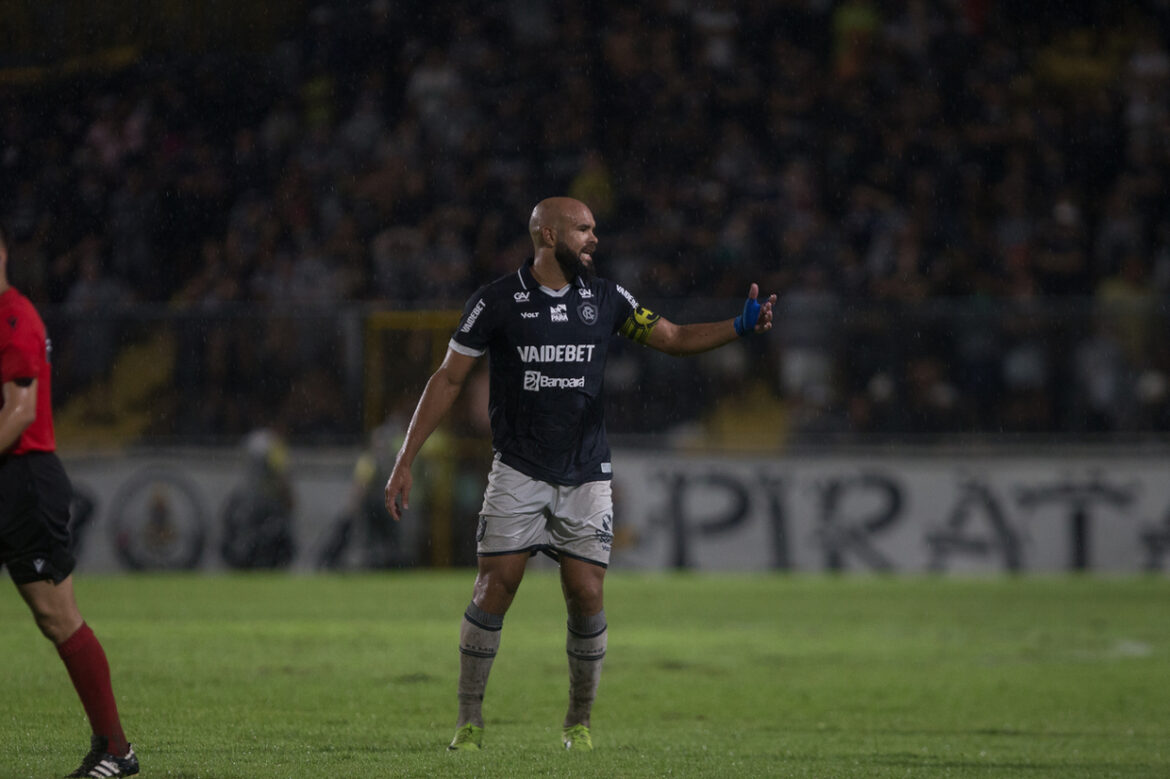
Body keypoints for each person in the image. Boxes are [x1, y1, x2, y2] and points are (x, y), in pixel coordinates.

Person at [383, 197, 775, 752]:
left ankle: (578, 722)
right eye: (583, 229)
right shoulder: (496, 301)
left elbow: (673, 338)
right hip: (518, 471)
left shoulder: (606, 298)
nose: (594, 239)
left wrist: (739, 325)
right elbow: (448, 379)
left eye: (594, 229)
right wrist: (405, 458)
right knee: (495, 587)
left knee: (586, 594)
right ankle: (469, 721)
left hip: (587, 474)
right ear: (548, 235)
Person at [0, 226, 138, 778]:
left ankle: (115, 749)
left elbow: (19, 413)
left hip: (24, 481)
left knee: (57, 618)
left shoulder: (15, 318)